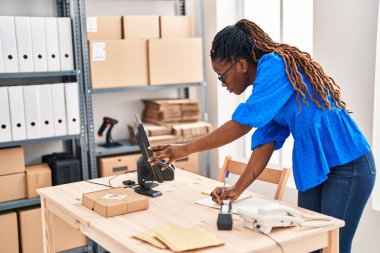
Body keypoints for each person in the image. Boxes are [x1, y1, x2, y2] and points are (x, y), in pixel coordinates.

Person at [148, 19, 376, 253]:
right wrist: (237, 189)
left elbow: (241, 125)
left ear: (242, 65)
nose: (223, 84)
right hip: (315, 164)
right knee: (310, 245)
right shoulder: (268, 91)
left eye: (221, 76)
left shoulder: (274, 66)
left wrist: (185, 148)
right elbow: (265, 143)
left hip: (350, 165)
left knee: (334, 245)